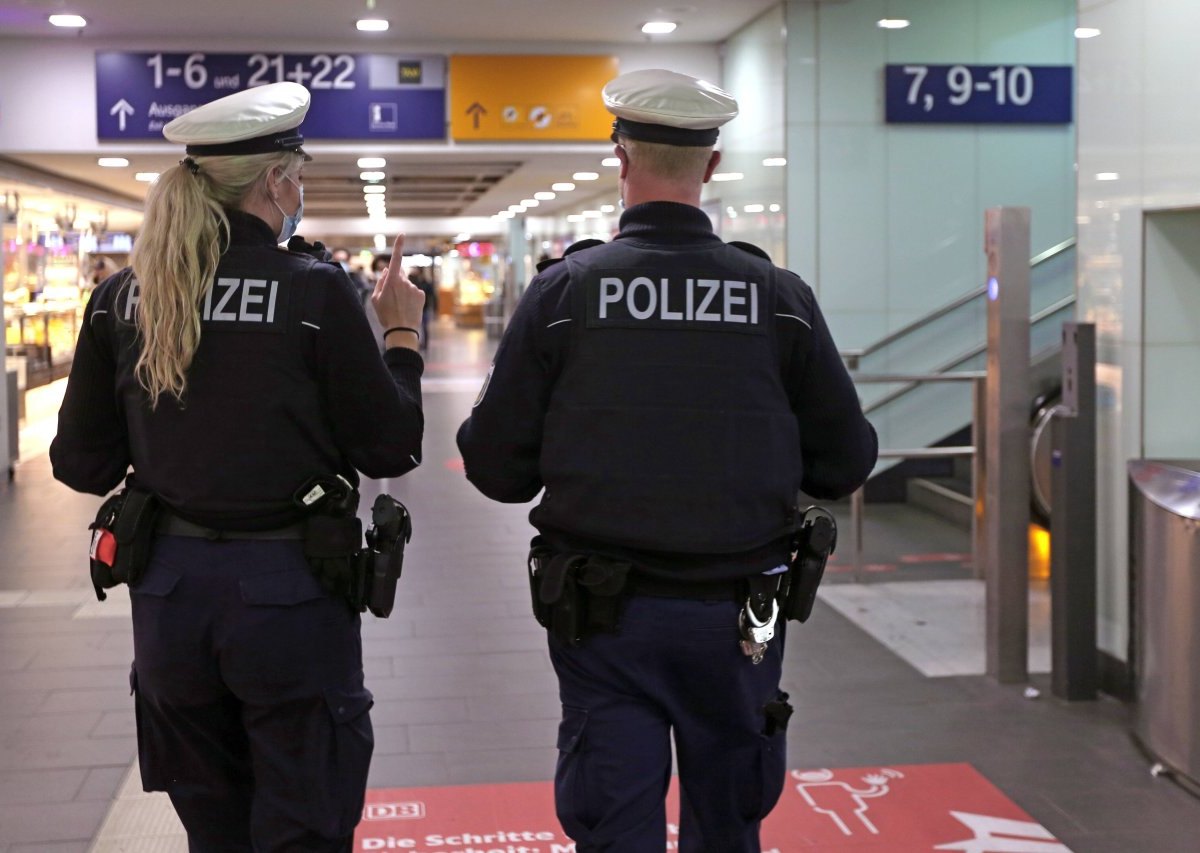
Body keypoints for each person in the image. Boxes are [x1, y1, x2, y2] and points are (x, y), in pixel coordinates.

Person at [456, 69, 877, 852]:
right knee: (730, 823)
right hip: (744, 611)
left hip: (602, 612)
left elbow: (494, 466)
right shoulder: (778, 297)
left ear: (621, 156)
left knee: (614, 825)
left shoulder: (564, 295)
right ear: (710, 166)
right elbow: (846, 460)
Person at [49, 82, 426, 851]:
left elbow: (81, 461)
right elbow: (390, 447)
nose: (300, 189)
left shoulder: (125, 298)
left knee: (212, 825)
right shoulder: (315, 292)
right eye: (298, 174)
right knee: (304, 820)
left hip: (169, 601)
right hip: (291, 595)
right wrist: (401, 339)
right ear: (273, 182)